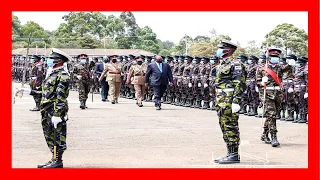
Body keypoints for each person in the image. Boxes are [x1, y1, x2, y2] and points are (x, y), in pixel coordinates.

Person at [15, 48, 72, 168]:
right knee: (49, 135)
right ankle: (53, 158)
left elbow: (61, 97)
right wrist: (29, 91)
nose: (48, 60)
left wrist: (57, 114)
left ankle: (58, 160)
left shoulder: (63, 76)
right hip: (46, 109)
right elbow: (45, 92)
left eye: (51, 59)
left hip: (55, 109)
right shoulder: (52, 74)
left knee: (58, 136)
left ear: (59, 60)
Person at [214, 40, 244, 164]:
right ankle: (229, 153)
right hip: (221, 100)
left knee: (231, 126)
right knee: (224, 126)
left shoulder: (236, 64)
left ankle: (234, 154)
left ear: (228, 50)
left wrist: (236, 101)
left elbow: (239, 84)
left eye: (221, 48)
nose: (219, 50)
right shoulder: (221, 64)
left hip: (229, 100)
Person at [256, 48, 283, 147]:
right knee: (272, 114)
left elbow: (289, 76)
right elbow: (258, 82)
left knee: (272, 115)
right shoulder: (262, 69)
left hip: (278, 94)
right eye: (273, 57)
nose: (275, 59)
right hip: (267, 94)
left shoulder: (280, 68)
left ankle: (264, 134)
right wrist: (262, 82)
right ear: (269, 58)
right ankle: (274, 137)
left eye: (277, 57)